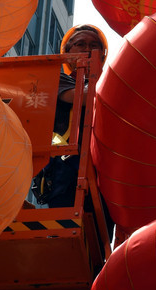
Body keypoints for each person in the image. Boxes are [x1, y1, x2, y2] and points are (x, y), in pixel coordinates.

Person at [31, 24, 108, 208]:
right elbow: (81, 97)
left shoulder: (107, 83)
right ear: (67, 52)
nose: (88, 49)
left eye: (94, 45)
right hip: (67, 169)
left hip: (103, 173)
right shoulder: (60, 80)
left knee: (99, 229)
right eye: (80, 44)